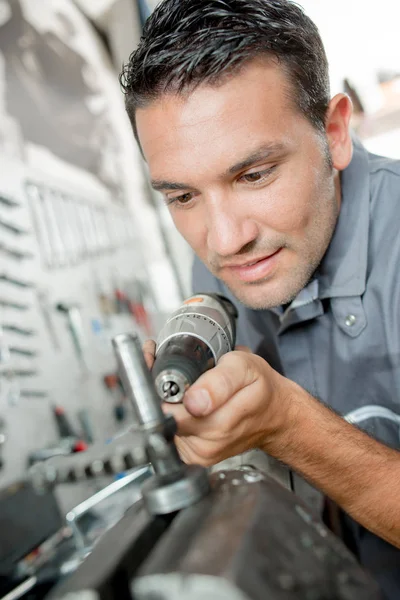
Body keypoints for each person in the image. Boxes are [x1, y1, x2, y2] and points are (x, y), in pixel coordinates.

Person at [120, 1, 400, 596]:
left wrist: (287, 424)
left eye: (253, 175)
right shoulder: (232, 255)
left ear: (334, 132)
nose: (224, 242)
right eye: (182, 197)